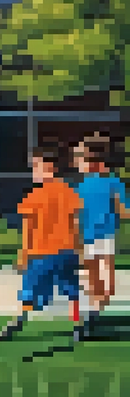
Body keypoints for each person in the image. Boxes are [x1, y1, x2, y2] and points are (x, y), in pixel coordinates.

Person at [0, 146, 87, 342]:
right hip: (66, 251)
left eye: (36, 166)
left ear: (50, 167)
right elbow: (75, 224)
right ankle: (77, 325)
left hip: (41, 252)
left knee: (30, 289)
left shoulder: (33, 197)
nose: (33, 171)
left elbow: (28, 230)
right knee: (71, 289)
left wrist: (23, 256)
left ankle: (19, 320)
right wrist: (79, 251)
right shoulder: (69, 193)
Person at [73, 136, 129, 337]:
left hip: (105, 235)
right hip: (87, 237)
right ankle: (92, 315)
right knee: (94, 281)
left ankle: (95, 311)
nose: (77, 164)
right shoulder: (79, 188)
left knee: (108, 285)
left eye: (80, 159)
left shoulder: (113, 182)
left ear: (94, 161)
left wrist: (119, 206)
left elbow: (124, 211)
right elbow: (75, 217)